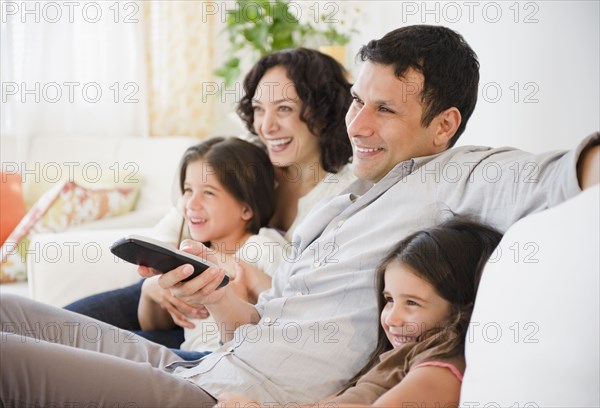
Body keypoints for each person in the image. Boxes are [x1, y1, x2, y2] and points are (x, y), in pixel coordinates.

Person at [1, 25, 598, 405]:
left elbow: (562, 172)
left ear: (444, 125)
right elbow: (264, 327)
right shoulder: (344, 197)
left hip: (230, 396)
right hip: (212, 362)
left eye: (383, 110)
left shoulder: (465, 174)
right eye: (358, 101)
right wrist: (216, 294)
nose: (358, 124)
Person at [63, 47, 356, 348]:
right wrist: (156, 281)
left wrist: (245, 278)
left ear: (323, 114)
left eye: (284, 109)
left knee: (85, 353)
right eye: (258, 109)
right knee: (56, 329)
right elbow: (175, 225)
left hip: (237, 324)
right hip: (181, 292)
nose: (266, 126)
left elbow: (303, 303)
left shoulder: (339, 197)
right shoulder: (246, 159)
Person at [218, 218, 503, 406]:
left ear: (463, 306)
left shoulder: (442, 364)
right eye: (389, 299)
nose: (392, 318)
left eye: (412, 303)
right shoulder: (395, 359)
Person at [137, 136, 288, 357]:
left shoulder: (263, 248)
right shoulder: (191, 256)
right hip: (188, 356)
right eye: (188, 190)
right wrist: (149, 292)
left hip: (220, 361)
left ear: (246, 208)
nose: (191, 204)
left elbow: (294, 318)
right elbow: (152, 327)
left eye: (208, 192)